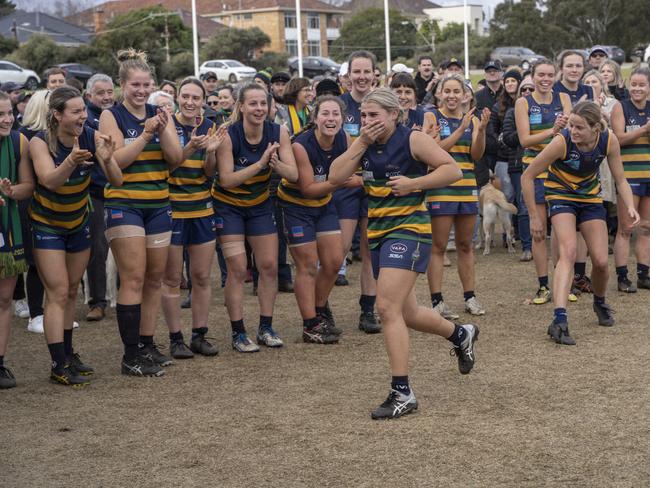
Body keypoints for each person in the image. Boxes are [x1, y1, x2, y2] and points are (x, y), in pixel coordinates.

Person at [329, 88, 478, 419]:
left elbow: (452, 170)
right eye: (364, 115)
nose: (368, 121)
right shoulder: (361, 144)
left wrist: (414, 184)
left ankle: (402, 392)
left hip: (410, 229)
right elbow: (335, 177)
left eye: (375, 115)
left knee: (385, 307)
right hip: (379, 233)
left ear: (394, 114)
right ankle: (460, 334)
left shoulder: (413, 139)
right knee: (406, 313)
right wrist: (360, 143)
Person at [522, 101, 639, 345]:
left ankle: (599, 302)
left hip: (589, 198)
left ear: (596, 128)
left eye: (579, 128)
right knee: (569, 253)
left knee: (600, 261)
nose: (573, 131)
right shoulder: (561, 142)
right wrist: (534, 216)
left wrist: (629, 206)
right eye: (571, 125)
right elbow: (527, 175)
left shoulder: (609, 140)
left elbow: (621, 180)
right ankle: (559, 319)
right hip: (561, 196)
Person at [29, 86, 122, 385]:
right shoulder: (39, 142)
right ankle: (58, 364)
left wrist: (107, 158)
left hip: (78, 222)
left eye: (84, 109)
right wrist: (70, 160)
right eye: (76, 111)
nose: (84, 116)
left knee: (70, 290)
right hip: (47, 225)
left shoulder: (91, 137)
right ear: (57, 115)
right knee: (56, 292)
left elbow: (117, 180)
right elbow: (48, 180)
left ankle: (68, 354)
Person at [99, 49, 183, 377]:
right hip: (125, 204)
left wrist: (163, 128)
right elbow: (116, 161)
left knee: (154, 278)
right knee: (133, 277)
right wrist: (146, 133)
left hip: (159, 203)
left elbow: (175, 159)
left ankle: (147, 344)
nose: (141, 90)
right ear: (122, 85)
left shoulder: (160, 114)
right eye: (135, 84)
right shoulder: (112, 116)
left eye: (147, 84)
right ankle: (130, 354)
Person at [212, 83, 297, 352]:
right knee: (237, 268)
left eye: (263, 103)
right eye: (253, 104)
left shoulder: (278, 131)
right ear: (241, 106)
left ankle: (266, 327)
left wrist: (276, 165)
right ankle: (238, 332)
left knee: (269, 266)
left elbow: (293, 175)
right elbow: (225, 180)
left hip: (260, 206)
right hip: (229, 207)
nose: (259, 109)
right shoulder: (229, 135)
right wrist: (260, 165)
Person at [277, 95, 348, 343]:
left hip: (324, 203)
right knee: (307, 265)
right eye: (325, 114)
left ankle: (319, 311)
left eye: (335, 114)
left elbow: (351, 171)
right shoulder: (301, 145)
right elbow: (307, 188)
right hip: (296, 205)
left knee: (334, 262)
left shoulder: (343, 138)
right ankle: (310, 325)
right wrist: (340, 182)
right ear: (315, 118)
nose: (331, 119)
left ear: (342, 118)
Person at [162, 77, 225, 359]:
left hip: (202, 208)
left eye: (195, 98)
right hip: (172, 209)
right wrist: (189, 147)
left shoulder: (210, 127)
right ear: (177, 98)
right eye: (185, 96)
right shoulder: (166, 125)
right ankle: (176, 339)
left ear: (203, 100)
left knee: (201, 276)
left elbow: (209, 173)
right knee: (173, 278)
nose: (190, 102)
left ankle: (199, 334)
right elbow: (167, 167)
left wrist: (211, 153)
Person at [425, 74, 490, 319]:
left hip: (467, 186)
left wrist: (480, 131)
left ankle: (470, 296)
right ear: (439, 94)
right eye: (447, 91)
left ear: (465, 95)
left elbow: (476, 154)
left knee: (466, 245)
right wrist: (461, 129)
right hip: (441, 187)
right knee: (439, 246)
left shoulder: (471, 120)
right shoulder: (431, 117)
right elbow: (432, 151)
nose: (452, 96)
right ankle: (437, 301)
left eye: (456, 91)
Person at [515, 60, 572, 304]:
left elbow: (570, 133)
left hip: (560, 173)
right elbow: (525, 140)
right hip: (534, 172)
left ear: (556, 75)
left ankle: (563, 283)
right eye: (541, 75)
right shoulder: (523, 102)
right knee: (538, 231)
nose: (545, 79)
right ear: (533, 76)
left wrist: (560, 131)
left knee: (561, 231)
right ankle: (543, 286)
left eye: (550, 74)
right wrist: (552, 131)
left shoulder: (564, 99)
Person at [336, 50, 380, 333]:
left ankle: (367, 310)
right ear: (348, 76)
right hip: (345, 187)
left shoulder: (383, 104)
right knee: (336, 253)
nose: (362, 77)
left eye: (367, 71)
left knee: (368, 252)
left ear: (375, 74)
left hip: (373, 187)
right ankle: (320, 310)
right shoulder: (337, 105)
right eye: (357, 72)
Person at [0, 91, 35, 389]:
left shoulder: (18, 140)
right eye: (0, 114)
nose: (7, 118)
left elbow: (28, 186)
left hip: (8, 230)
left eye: (9, 112)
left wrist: (11, 192)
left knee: (4, 299)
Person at [611, 67, 650, 292]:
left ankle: (644, 274)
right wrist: (644, 129)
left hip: (648, 175)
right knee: (626, 228)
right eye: (633, 84)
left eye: (641, 85)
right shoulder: (621, 107)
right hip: (629, 176)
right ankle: (623, 276)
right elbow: (618, 138)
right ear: (628, 85)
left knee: (646, 228)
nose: (637, 88)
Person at [17, 90, 51, 333]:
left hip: (51, 204)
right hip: (30, 203)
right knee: (35, 261)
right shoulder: (25, 137)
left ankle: (47, 311)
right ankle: (35, 313)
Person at [84, 73, 115, 321]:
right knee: (97, 248)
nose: (106, 96)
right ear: (89, 96)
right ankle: (97, 301)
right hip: (96, 192)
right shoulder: (84, 119)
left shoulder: (118, 116)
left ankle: (127, 294)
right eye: (100, 92)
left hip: (123, 190)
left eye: (109, 91)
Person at [502, 78, 533, 261]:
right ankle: (527, 247)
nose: (527, 92)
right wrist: (525, 133)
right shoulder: (512, 112)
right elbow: (508, 138)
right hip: (519, 165)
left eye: (531, 88)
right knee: (523, 206)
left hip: (546, 162)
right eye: (524, 89)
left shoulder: (547, 112)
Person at [488, 69, 522, 204]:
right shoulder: (498, 106)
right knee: (507, 194)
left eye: (513, 81)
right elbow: (492, 130)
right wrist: (501, 142)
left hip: (521, 155)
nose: (509, 84)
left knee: (521, 195)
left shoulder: (527, 102)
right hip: (503, 157)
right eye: (507, 81)